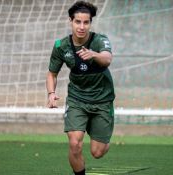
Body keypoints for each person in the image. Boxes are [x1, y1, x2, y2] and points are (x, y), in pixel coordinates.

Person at [46, 1, 115, 175]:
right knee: (75, 143)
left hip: (102, 100)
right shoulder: (61, 46)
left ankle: (99, 130)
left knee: (97, 152)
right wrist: (51, 93)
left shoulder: (100, 40)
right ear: (71, 21)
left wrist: (94, 54)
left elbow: (107, 59)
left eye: (86, 22)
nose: (82, 26)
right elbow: (51, 74)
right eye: (78, 22)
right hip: (77, 99)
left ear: (90, 23)